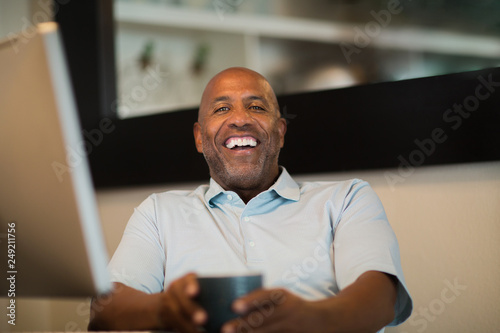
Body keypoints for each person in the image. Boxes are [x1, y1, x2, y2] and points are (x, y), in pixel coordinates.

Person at [89, 67, 412, 332]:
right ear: (200, 138)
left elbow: (381, 297)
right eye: (222, 108)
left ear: (281, 131)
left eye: (256, 107)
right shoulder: (158, 213)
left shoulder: (347, 199)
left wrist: (311, 319)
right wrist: (165, 309)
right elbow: (105, 309)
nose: (240, 119)